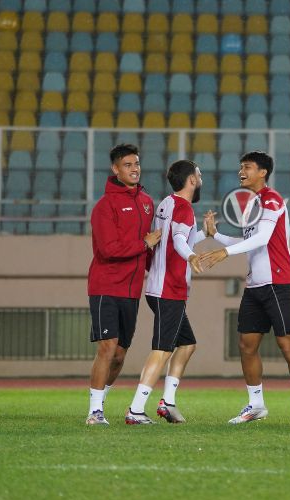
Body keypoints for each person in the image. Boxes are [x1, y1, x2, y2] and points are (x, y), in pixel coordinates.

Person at [198, 151, 290, 426]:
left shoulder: (272, 199)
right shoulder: (250, 206)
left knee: (288, 348)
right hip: (255, 285)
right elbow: (248, 240)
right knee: (246, 346)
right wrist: (216, 237)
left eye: (247, 167)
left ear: (262, 172)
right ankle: (256, 404)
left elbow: (263, 237)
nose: (241, 171)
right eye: (240, 166)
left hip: (279, 283)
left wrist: (225, 252)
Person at [125, 160, 205, 425]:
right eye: (199, 174)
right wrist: (192, 255)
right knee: (162, 350)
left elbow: (173, 239)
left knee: (187, 344)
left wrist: (204, 234)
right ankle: (136, 410)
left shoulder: (167, 203)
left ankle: (167, 402)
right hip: (168, 290)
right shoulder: (184, 207)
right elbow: (181, 242)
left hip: (158, 288)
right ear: (191, 180)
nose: (201, 178)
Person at [86, 144, 160, 425]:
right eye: (127, 165)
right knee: (107, 347)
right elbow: (107, 249)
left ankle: (100, 401)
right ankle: (94, 412)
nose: (134, 169)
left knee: (119, 355)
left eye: (137, 163)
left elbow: (149, 250)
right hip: (105, 286)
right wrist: (144, 243)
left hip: (132, 290)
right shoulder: (105, 206)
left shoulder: (147, 202)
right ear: (115, 169)